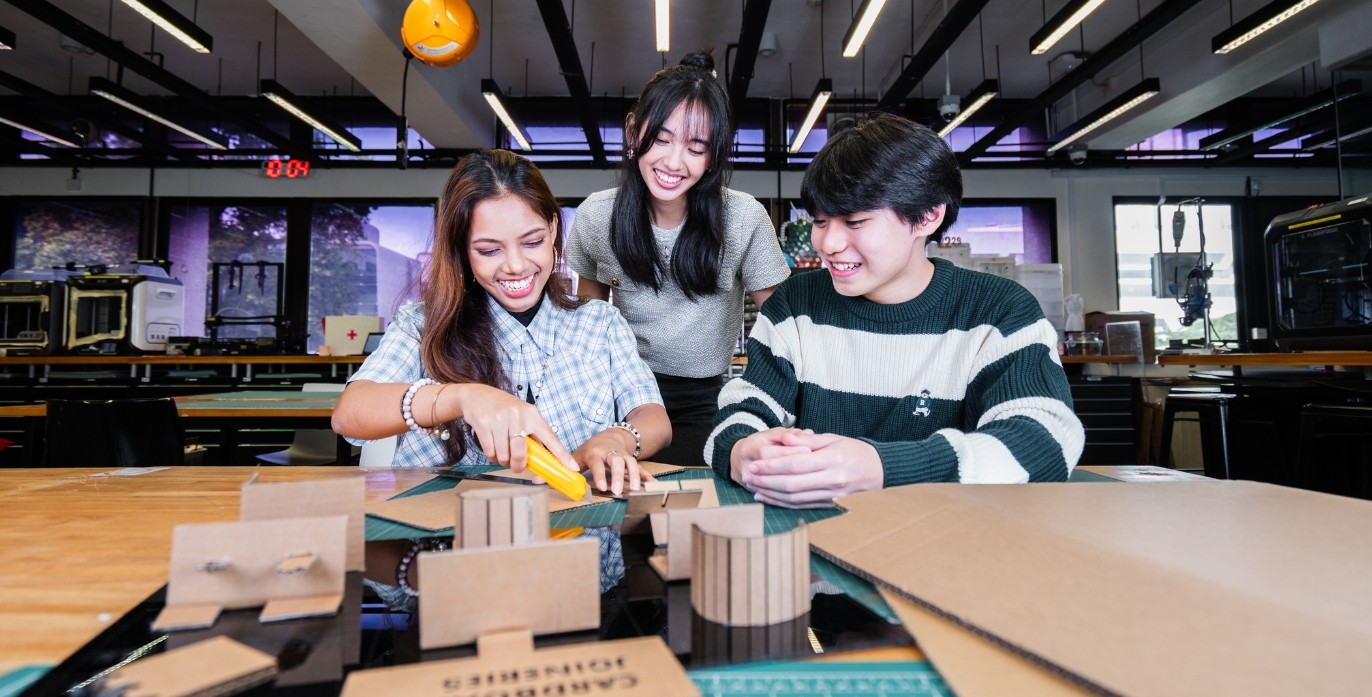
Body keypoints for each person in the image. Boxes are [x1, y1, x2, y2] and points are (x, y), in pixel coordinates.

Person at [706, 114, 1085, 508]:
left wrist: (882, 469)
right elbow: (743, 412)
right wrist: (741, 452)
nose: (830, 243)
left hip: (953, 544)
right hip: (818, 538)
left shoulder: (998, 311)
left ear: (928, 216)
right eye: (820, 220)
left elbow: (1047, 439)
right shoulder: (796, 305)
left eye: (855, 221)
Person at [333, 149, 670, 498]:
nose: (515, 265)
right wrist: (461, 397)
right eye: (489, 250)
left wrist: (616, 438)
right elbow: (349, 416)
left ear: (554, 229)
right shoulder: (422, 325)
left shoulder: (599, 323)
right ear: (462, 249)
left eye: (533, 242)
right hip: (449, 542)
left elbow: (653, 417)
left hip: (581, 536)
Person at [564, 49, 791, 466]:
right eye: (662, 138)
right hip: (621, 397)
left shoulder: (742, 218)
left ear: (714, 155)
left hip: (706, 401)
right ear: (634, 132)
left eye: (694, 147)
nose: (672, 161)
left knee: (692, 519)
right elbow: (588, 325)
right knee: (620, 517)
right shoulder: (598, 215)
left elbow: (784, 326)